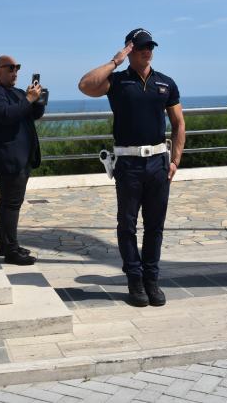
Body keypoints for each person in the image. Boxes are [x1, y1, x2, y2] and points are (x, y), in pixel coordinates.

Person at [78, 28, 185, 307]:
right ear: (130, 50)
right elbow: (85, 85)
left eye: (150, 47)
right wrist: (116, 61)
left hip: (158, 162)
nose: (147, 51)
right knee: (126, 225)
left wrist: (175, 160)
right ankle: (134, 280)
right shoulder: (117, 82)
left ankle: (152, 279)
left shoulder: (166, 83)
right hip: (128, 163)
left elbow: (178, 123)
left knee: (155, 226)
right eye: (140, 47)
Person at [0, 55, 44, 266]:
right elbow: (8, 115)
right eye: (10, 69)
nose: (15, 72)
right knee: (11, 204)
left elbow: (31, 115)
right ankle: (11, 250)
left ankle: (5, 245)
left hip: (21, 158)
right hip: (6, 160)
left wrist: (38, 100)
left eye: (17, 68)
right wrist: (28, 100)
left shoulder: (18, 93)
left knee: (8, 202)